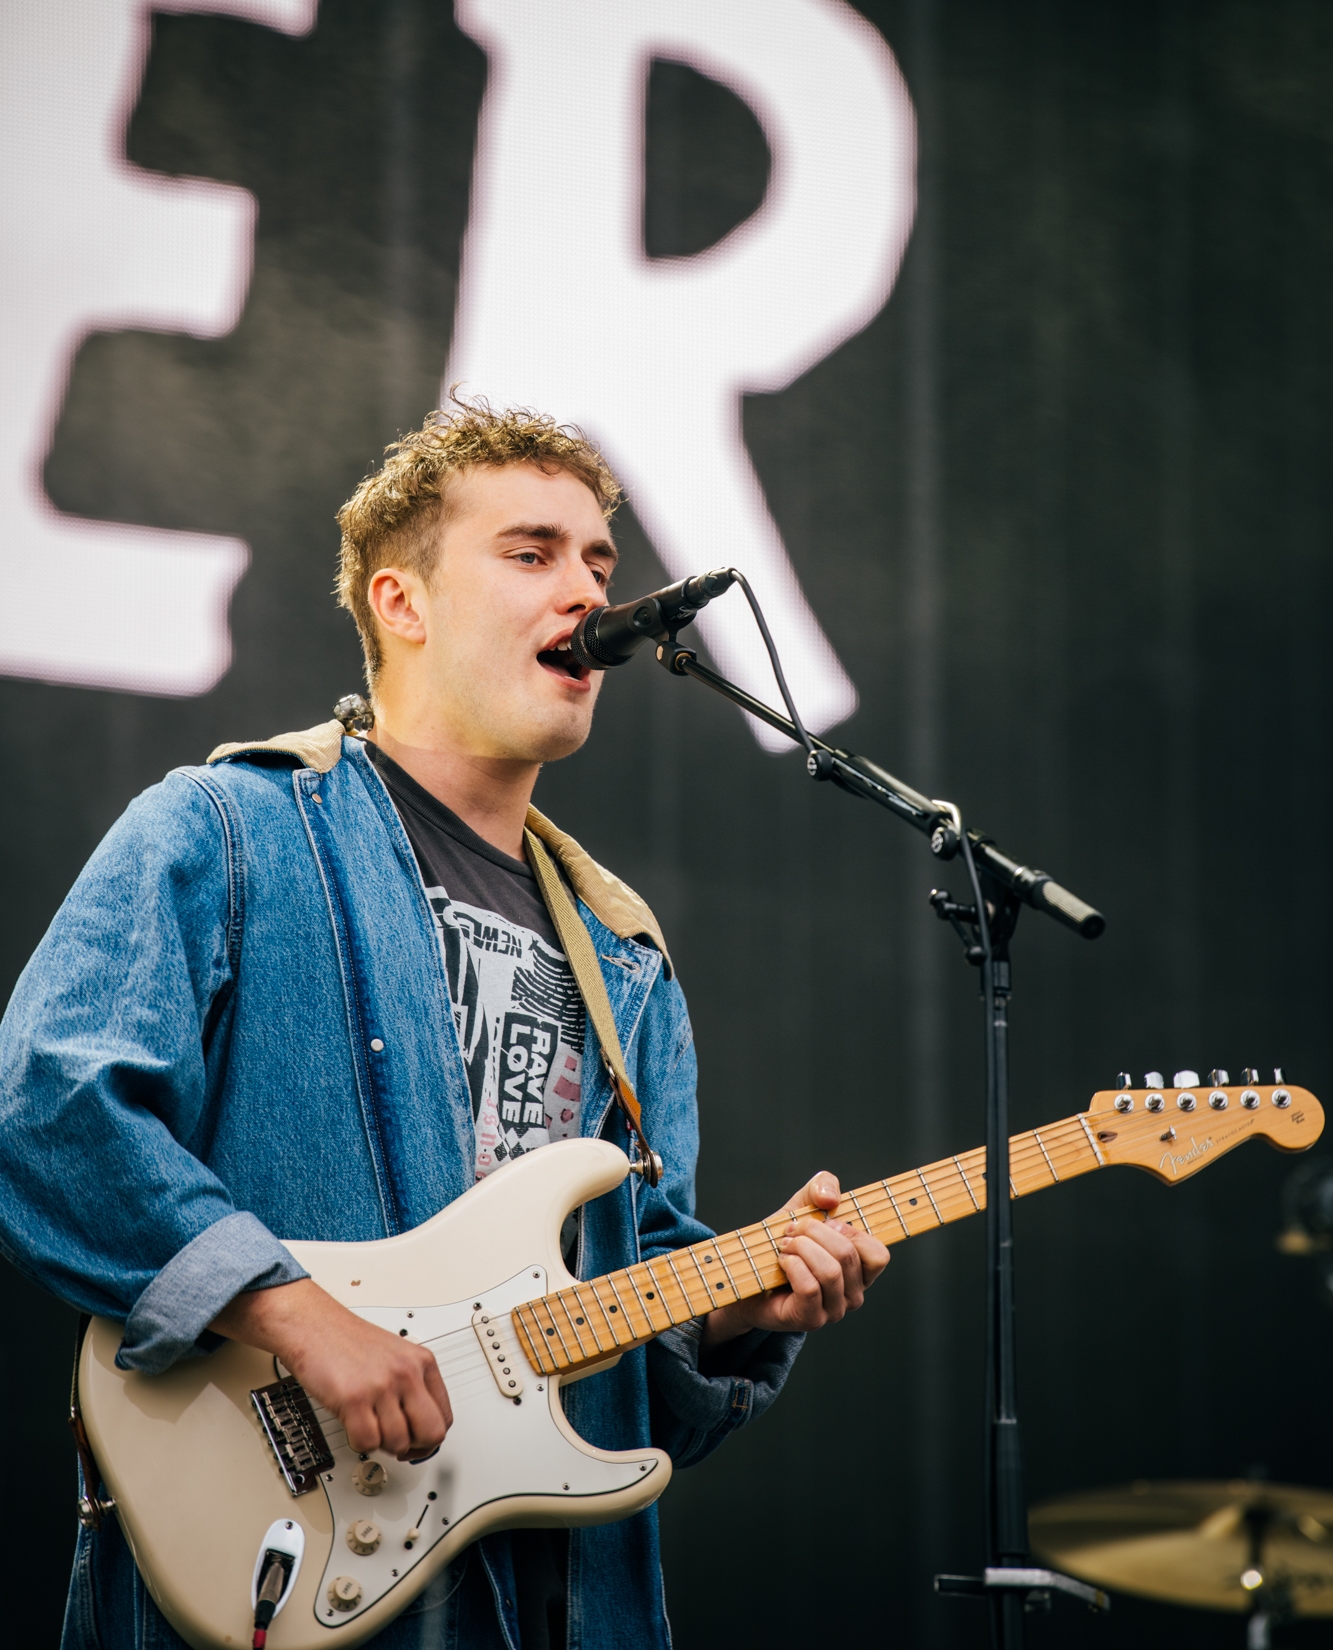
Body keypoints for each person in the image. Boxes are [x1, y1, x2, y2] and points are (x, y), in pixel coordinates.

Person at [0, 400, 888, 1650]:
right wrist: (297, 1312)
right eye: (531, 553)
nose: (584, 590)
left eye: (597, 562)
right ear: (400, 602)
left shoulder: (625, 953)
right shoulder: (226, 827)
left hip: (555, 1600)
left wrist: (736, 1308)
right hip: (280, 1554)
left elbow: (640, 1362)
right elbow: (48, 1108)